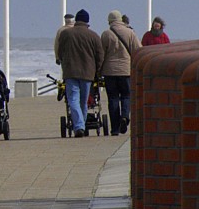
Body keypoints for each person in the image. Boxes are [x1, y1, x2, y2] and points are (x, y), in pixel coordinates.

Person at [55, 9, 105, 137]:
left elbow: (60, 52)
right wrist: (97, 70)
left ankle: (79, 126)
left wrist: (63, 63)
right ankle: (80, 126)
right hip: (88, 73)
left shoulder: (66, 34)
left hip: (70, 72)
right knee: (83, 101)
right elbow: (100, 55)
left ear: (76, 20)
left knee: (73, 99)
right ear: (87, 21)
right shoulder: (93, 36)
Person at [101, 9, 141, 135]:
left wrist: (98, 70)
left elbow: (101, 54)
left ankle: (115, 128)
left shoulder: (106, 34)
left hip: (110, 71)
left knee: (113, 98)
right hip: (126, 70)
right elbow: (138, 50)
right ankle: (125, 116)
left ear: (109, 21)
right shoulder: (130, 33)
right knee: (126, 96)